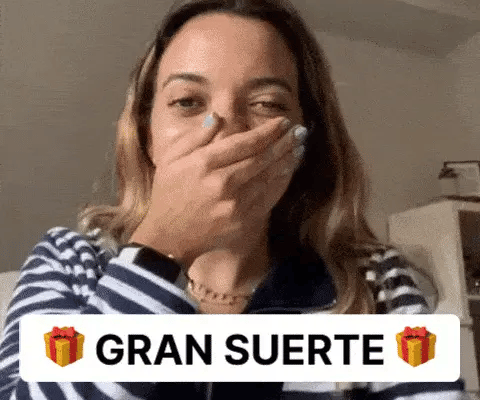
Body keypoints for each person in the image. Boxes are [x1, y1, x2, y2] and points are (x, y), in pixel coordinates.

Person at [0, 0, 468, 398]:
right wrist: (159, 249)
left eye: (267, 104)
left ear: (306, 139)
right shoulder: (70, 263)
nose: (225, 130)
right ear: (146, 133)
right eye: (187, 102)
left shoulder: (375, 283)